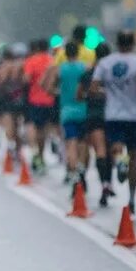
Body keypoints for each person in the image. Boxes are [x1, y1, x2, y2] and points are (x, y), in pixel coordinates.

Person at [92, 31, 136, 214]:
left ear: (117, 43)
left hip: (113, 114)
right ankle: (132, 199)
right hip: (135, 115)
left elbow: (94, 88)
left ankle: (119, 161)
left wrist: (108, 92)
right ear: (133, 43)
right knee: (134, 158)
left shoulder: (105, 63)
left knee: (116, 147)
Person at [46, 41, 89, 190]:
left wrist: (60, 93)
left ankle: (73, 173)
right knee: (83, 144)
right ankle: (82, 169)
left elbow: (49, 88)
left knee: (71, 144)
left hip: (67, 111)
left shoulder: (60, 69)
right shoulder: (85, 67)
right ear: (78, 52)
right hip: (84, 110)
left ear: (65, 54)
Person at [80, 43, 114, 206]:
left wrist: (88, 95)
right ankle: (109, 180)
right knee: (111, 150)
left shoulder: (88, 73)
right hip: (113, 115)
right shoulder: (114, 73)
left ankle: (104, 185)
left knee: (100, 150)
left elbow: (79, 94)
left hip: (94, 115)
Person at [22, 40, 58, 173]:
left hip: (34, 100)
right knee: (44, 130)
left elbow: (26, 79)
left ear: (36, 48)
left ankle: (35, 152)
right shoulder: (52, 60)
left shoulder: (31, 61)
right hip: (49, 100)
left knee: (33, 126)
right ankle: (41, 157)